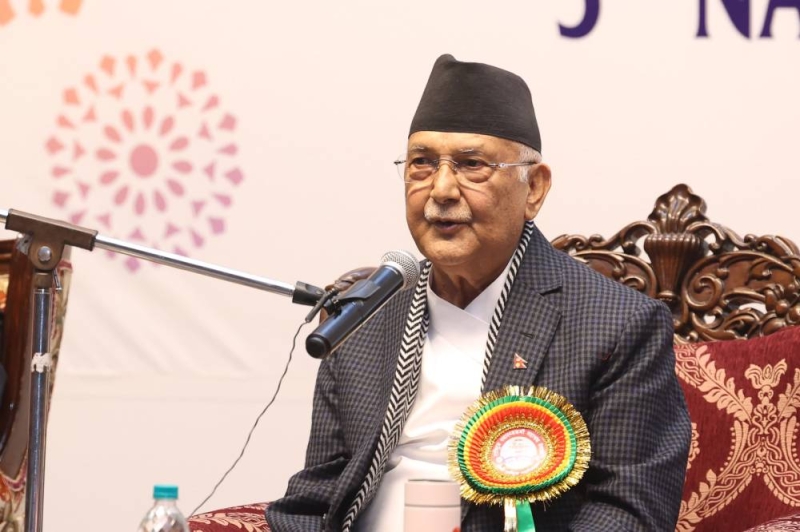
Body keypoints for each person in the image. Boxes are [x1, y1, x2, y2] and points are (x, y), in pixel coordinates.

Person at [266, 54, 691, 531]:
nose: (441, 190)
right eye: (422, 163)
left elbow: (629, 512)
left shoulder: (616, 324)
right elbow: (316, 497)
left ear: (534, 188)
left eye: (472, 165)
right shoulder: (365, 313)